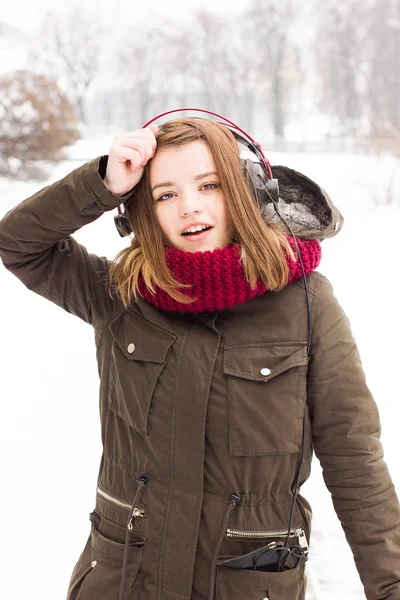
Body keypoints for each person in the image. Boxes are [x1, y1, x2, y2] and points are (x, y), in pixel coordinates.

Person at [0, 115, 399, 600]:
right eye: (165, 194)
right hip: (123, 583)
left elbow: (355, 458)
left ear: (246, 193)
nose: (189, 207)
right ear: (141, 210)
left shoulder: (307, 303)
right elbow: (18, 241)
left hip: (247, 585)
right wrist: (103, 181)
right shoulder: (119, 293)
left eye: (208, 185)